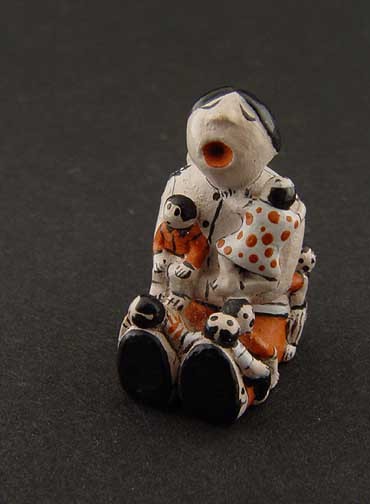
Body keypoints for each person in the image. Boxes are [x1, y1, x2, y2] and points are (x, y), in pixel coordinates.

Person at [118, 87, 313, 423]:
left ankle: (229, 381)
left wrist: (235, 288)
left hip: (252, 308)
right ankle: (157, 361)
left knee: (244, 345)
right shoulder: (181, 184)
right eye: (209, 118)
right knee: (156, 318)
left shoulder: (280, 204)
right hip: (185, 295)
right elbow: (163, 244)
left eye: (244, 120)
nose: (223, 121)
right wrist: (163, 285)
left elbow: (277, 280)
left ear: (266, 149)